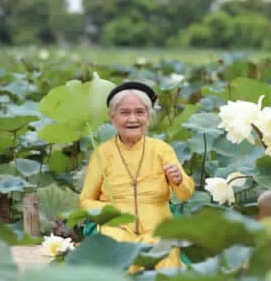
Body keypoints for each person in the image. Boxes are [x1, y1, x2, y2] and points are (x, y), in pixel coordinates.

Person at [79, 81, 195, 270]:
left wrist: (179, 180)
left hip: (157, 225)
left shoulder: (161, 149)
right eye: (124, 113)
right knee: (116, 252)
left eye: (139, 112)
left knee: (163, 257)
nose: (132, 119)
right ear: (112, 118)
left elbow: (185, 194)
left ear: (148, 117)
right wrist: (113, 211)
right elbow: (85, 200)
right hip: (117, 225)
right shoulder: (102, 153)